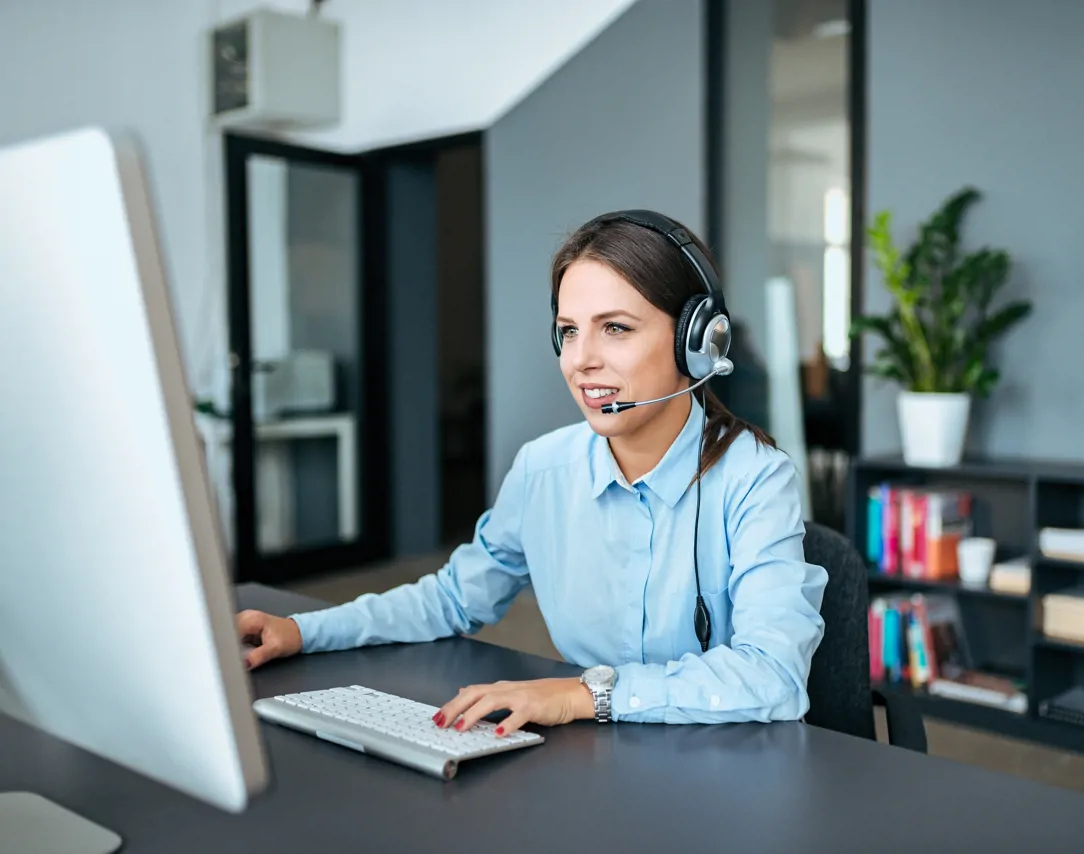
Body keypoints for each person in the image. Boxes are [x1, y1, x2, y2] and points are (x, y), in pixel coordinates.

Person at [236, 209, 827, 736]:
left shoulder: (754, 479)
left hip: (723, 771)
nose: (581, 360)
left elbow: (772, 673)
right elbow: (450, 599)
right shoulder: (544, 469)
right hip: (596, 761)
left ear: (695, 341)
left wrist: (582, 696)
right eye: (569, 331)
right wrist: (304, 631)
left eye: (615, 328)